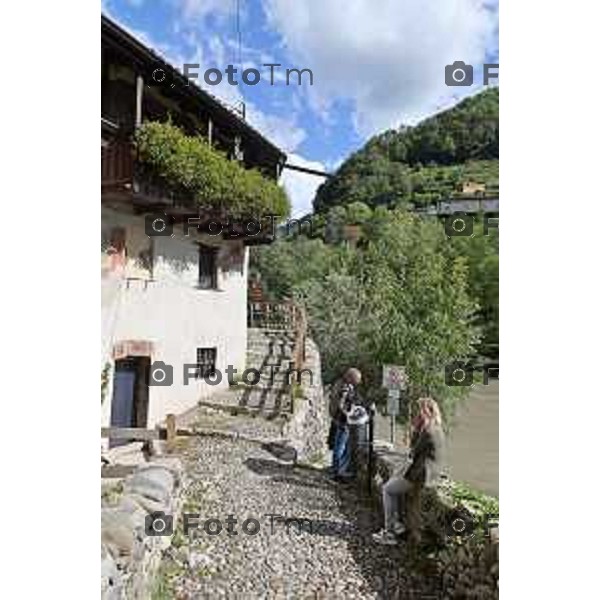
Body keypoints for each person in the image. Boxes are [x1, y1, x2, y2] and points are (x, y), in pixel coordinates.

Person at [372, 397, 445, 545]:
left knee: (387, 489)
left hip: (421, 476)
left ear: (427, 412)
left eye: (420, 411)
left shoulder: (428, 431)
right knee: (392, 483)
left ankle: (390, 533)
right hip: (426, 473)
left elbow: (413, 452)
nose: (417, 414)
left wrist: (416, 430)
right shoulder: (435, 428)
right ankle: (397, 525)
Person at [328, 368, 362, 481]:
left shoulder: (339, 383)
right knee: (341, 446)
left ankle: (336, 470)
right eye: (356, 380)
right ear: (350, 377)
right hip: (343, 420)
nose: (357, 383)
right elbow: (340, 404)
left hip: (338, 418)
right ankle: (337, 472)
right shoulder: (344, 387)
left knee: (340, 445)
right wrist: (349, 414)